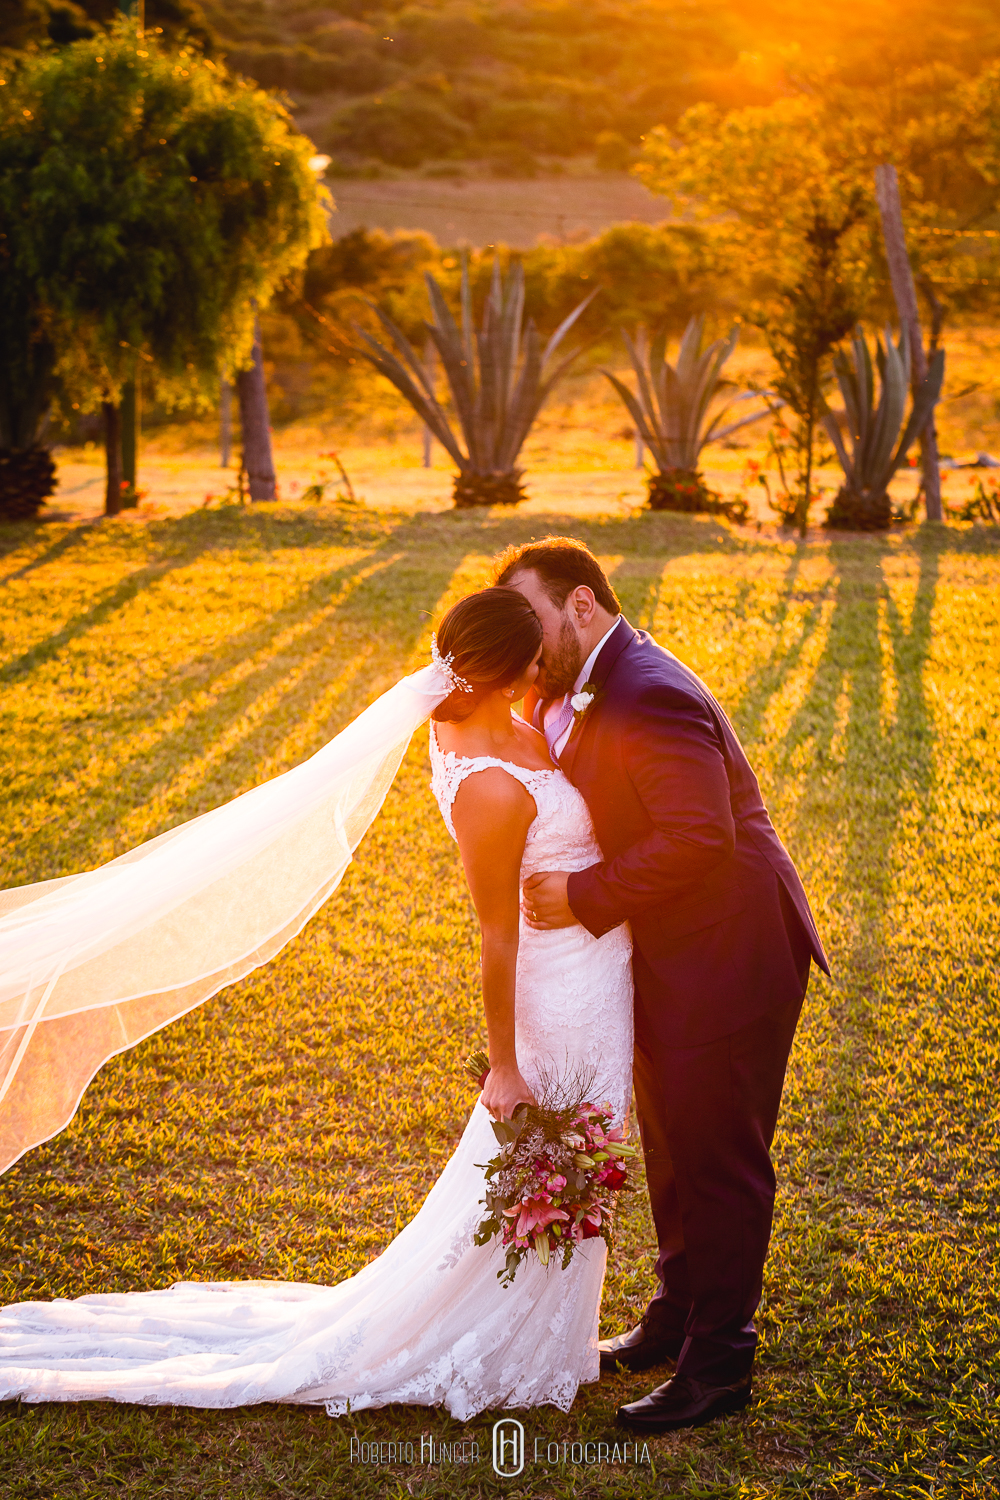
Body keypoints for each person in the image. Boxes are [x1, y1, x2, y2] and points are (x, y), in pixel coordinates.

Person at [0, 586, 634, 1418]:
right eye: (537, 653)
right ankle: (508, 1342)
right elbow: (495, 936)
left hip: (592, 972)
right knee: (545, 1158)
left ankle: (544, 1333)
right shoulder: (487, 785)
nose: (549, 663)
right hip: (555, 995)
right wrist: (504, 1066)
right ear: (509, 668)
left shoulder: (480, 720)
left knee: (562, 1157)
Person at [496, 536, 829, 1435]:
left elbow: (699, 837)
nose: (528, 647)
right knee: (672, 1142)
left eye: (533, 620)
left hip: (732, 949)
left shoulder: (650, 690)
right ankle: (677, 1318)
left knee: (718, 1159)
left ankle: (719, 1365)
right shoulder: (576, 685)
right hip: (669, 952)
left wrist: (580, 895)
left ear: (582, 605)